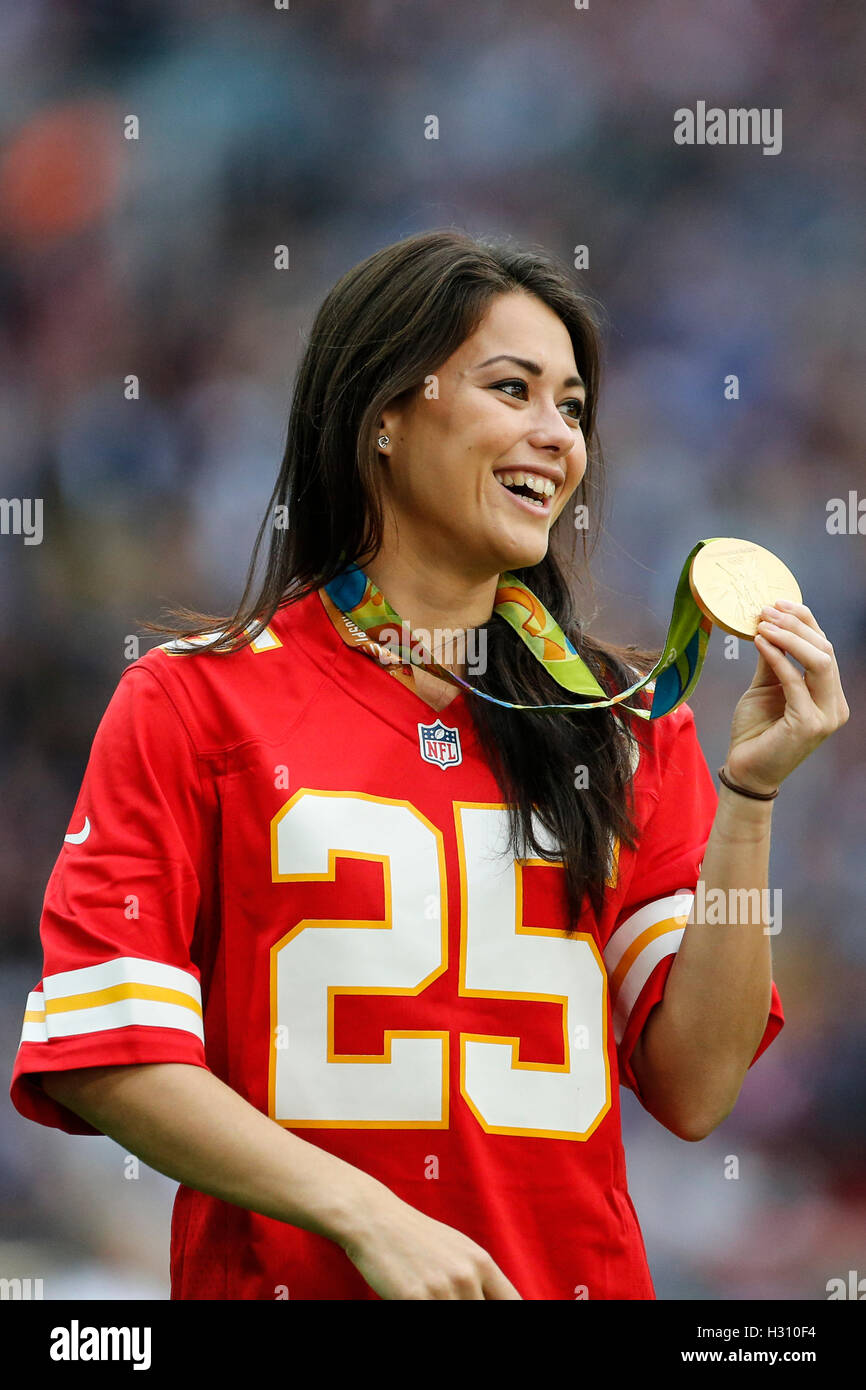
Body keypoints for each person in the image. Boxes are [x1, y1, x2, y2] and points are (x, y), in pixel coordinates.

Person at [9, 230, 848, 1301]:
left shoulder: (624, 725)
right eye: (513, 389)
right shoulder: (192, 700)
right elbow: (107, 1048)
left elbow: (694, 1087)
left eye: (574, 409)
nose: (555, 436)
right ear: (386, 418)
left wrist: (751, 794)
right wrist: (364, 1213)